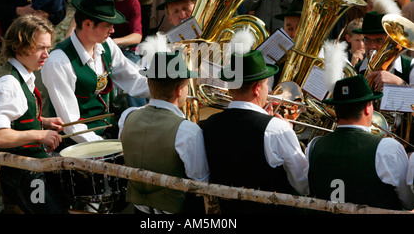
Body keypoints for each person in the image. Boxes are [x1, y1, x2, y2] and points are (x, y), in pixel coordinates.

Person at [200, 46, 309, 213]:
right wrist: (286, 131)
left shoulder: (207, 124)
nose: (269, 91)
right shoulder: (277, 129)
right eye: (266, 85)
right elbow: (303, 184)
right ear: (257, 89)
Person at [0, 14, 68, 214]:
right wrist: (39, 134)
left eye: (48, 48)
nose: (46, 54)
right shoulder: (9, 83)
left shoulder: (22, 74)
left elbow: (15, 117)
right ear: (20, 45)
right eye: (40, 48)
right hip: (22, 175)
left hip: (31, 167)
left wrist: (42, 121)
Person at [41, 0, 149, 146]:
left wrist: (166, 90)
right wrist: (107, 147)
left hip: (107, 131)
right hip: (76, 144)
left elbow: (133, 79)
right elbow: (70, 124)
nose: (113, 31)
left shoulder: (106, 45)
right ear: (88, 24)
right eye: (108, 26)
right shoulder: (59, 62)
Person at [119, 50, 210, 214]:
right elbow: (201, 181)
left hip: (138, 211)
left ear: (149, 84)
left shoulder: (127, 116)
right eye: (186, 85)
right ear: (179, 90)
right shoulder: (188, 131)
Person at [306, 75, 414, 210]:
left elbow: (306, 188)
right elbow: (409, 202)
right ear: (367, 108)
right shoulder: (388, 148)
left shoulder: (313, 146)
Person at [354, 11, 414, 89]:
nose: (372, 46)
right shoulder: (358, 69)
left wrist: (399, 83)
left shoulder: (411, 66)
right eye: (367, 40)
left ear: (391, 39)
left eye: (378, 41)